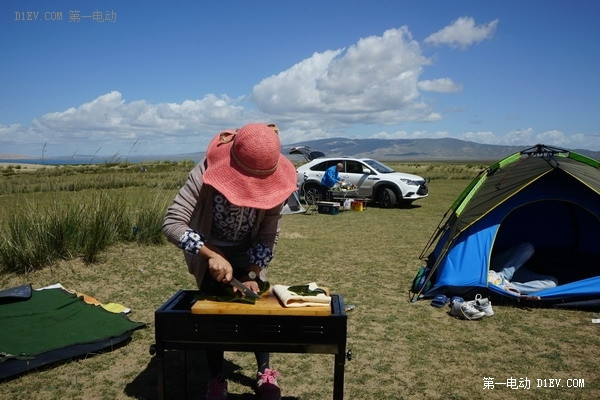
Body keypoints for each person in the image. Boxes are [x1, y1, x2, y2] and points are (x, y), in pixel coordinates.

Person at [162, 123, 297, 400]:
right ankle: (216, 377)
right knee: (214, 312)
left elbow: (269, 230)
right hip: (209, 248)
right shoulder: (204, 171)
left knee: (258, 307)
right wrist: (212, 255)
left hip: (249, 251)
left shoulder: (273, 172)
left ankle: (264, 372)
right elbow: (172, 223)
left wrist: (252, 270)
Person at [490, 242, 558, 295]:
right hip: (503, 266)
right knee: (528, 247)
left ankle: (508, 287)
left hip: (521, 275)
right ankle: (501, 277)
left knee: (553, 283)